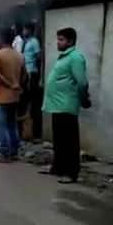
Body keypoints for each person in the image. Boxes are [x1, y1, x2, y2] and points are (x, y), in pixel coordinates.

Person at [42, 27, 89, 184]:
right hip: (57, 105)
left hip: (67, 104)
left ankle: (71, 173)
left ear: (70, 41)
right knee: (59, 140)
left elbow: (82, 82)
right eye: (58, 39)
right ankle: (58, 168)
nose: (58, 42)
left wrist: (84, 99)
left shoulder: (75, 57)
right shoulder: (64, 57)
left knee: (70, 142)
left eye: (61, 40)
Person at [0, 28, 25, 163]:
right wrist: (17, 85)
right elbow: (25, 75)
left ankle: (4, 153)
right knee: (12, 124)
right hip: (15, 95)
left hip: (1, 95)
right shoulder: (19, 56)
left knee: (1, 125)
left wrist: (9, 84)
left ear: (2, 38)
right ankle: (14, 152)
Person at [22, 23, 42, 139]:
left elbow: (39, 57)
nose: (23, 31)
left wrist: (39, 76)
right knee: (26, 101)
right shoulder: (26, 41)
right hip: (26, 73)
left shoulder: (34, 42)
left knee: (33, 102)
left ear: (29, 30)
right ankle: (27, 131)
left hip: (32, 73)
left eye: (25, 28)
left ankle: (36, 133)